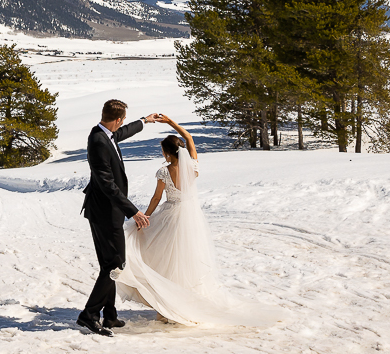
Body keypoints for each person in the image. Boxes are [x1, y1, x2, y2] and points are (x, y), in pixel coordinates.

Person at [112, 114, 280, 327]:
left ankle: (166, 307)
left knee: (163, 260)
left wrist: (145, 217)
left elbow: (156, 198)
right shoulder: (192, 166)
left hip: (169, 218)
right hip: (191, 219)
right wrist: (172, 123)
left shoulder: (163, 171)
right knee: (186, 261)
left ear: (166, 153)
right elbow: (190, 139)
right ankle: (179, 304)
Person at [76, 99, 162, 337]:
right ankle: (89, 315)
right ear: (116, 119)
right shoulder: (98, 141)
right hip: (105, 212)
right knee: (115, 264)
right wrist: (133, 211)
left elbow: (122, 133)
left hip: (107, 211)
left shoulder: (107, 133)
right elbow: (106, 184)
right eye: (122, 120)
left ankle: (110, 315)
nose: (122, 124)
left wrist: (145, 120)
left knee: (109, 264)